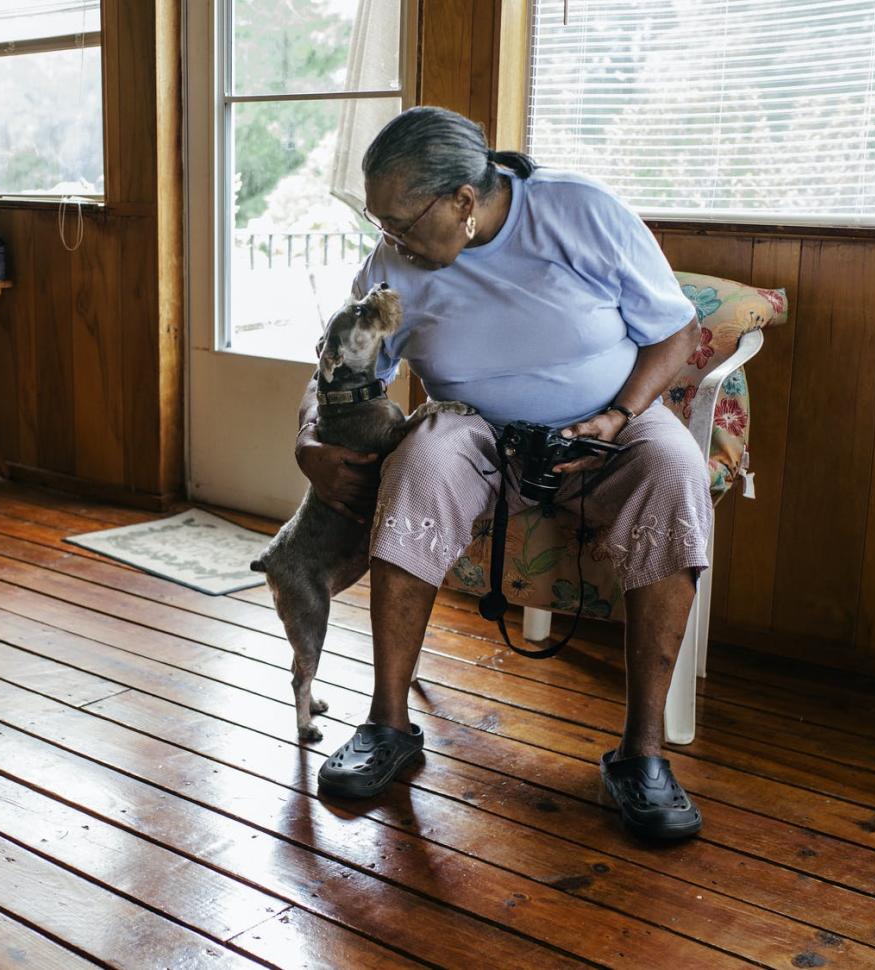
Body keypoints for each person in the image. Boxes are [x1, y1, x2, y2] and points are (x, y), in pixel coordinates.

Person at [294, 106, 709, 841]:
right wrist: (310, 441)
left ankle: (641, 756)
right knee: (422, 455)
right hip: (474, 427)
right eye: (380, 224)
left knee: (675, 466)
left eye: (400, 221)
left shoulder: (575, 210)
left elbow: (675, 330)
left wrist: (619, 414)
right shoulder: (397, 263)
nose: (389, 241)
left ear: (462, 199)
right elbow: (341, 364)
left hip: (610, 419)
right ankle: (389, 723)